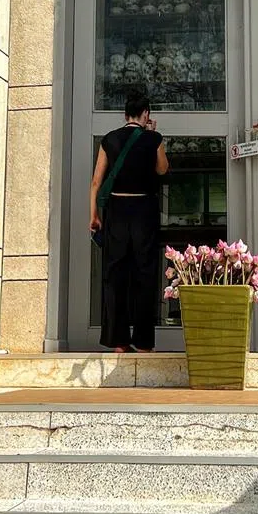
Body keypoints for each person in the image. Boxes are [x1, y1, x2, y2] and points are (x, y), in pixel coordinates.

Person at [89, 93, 169, 353]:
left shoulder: (109, 140)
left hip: (116, 209)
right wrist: (154, 135)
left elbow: (96, 182)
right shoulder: (152, 138)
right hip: (144, 209)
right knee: (145, 274)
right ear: (146, 114)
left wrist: (94, 215)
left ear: (125, 116)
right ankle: (144, 341)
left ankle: (118, 341)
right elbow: (162, 170)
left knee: (115, 275)